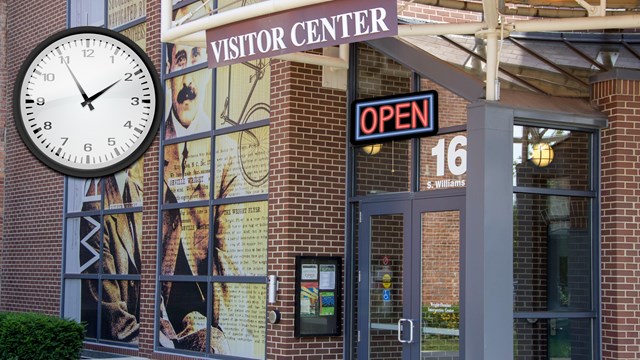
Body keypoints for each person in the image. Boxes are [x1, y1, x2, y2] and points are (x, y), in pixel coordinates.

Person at [164, 47, 211, 139]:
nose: (187, 80)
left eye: (195, 56)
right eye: (180, 60)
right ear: (168, 78)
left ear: (208, 71)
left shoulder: (226, 146)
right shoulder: (160, 140)